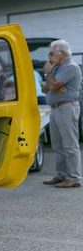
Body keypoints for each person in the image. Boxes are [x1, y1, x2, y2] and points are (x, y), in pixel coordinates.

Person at [42, 40, 82, 188]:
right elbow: (45, 89)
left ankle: (73, 178)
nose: (49, 57)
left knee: (70, 145)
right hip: (56, 108)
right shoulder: (56, 69)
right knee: (58, 144)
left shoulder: (71, 67)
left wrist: (49, 76)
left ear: (62, 54)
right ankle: (61, 175)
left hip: (67, 108)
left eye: (51, 53)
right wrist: (52, 83)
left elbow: (52, 85)